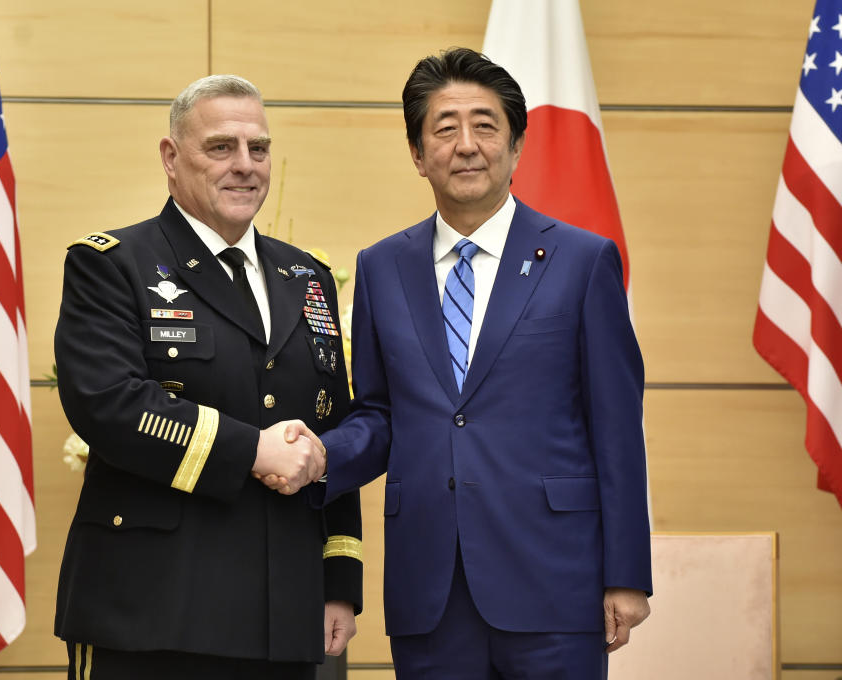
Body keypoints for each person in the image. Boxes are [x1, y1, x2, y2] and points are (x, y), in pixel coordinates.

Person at [291, 47, 651, 678]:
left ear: (515, 148)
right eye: (445, 127)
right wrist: (322, 457)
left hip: (555, 582)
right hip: (430, 587)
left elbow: (617, 428)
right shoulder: (381, 267)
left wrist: (626, 575)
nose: (466, 145)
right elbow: (379, 412)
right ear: (416, 152)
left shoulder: (582, 260)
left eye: (485, 126)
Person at [53, 74, 362, 680]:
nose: (245, 166)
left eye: (259, 148)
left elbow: (331, 432)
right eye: (221, 147)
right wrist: (252, 449)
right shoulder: (112, 264)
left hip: (283, 612)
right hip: (153, 611)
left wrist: (339, 581)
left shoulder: (308, 277)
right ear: (171, 158)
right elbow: (108, 404)